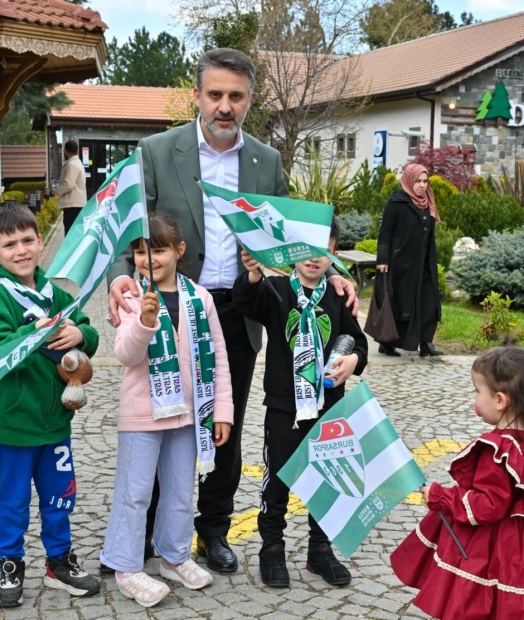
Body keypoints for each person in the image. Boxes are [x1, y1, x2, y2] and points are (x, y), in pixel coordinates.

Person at [107, 47, 357, 573]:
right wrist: (119, 279)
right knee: (163, 419)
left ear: (249, 100)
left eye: (236, 96)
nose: (225, 106)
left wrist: (332, 271)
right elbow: (129, 224)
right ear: (197, 95)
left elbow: (291, 238)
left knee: (226, 421)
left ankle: (212, 530)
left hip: (241, 311)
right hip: (174, 308)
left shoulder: (267, 160)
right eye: (215, 94)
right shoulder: (156, 151)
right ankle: (149, 531)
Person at [100, 213, 233, 607]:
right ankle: (125, 565)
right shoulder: (130, 297)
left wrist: (222, 410)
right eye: (141, 252)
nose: (149, 259)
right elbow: (126, 354)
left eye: (158, 250)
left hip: (188, 414)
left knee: (179, 492)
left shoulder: (201, 298)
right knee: (135, 493)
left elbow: (218, 356)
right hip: (143, 413)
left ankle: (174, 556)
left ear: (179, 250)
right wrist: (143, 321)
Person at [0, 202, 101, 608]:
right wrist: (35, 331)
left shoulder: (55, 293)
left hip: (56, 421)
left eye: (27, 240)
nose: (21, 250)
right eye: (9, 244)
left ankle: (59, 560)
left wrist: (80, 336)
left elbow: (90, 332)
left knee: (60, 495)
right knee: (13, 500)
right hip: (15, 422)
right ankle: (10, 562)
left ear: (40, 240)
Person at [390, 346, 524, 619]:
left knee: (482, 597)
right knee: (520, 599)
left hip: (495, 543)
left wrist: (440, 497)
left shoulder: (497, 449)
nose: (475, 398)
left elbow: (487, 506)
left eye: (477, 391)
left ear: (500, 400)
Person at [233, 217, 368, 589]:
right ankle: (272, 547)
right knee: (278, 478)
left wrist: (353, 360)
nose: (313, 257)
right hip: (284, 407)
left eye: (323, 250)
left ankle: (319, 548)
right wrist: (253, 274)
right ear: (291, 250)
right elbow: (245, 301)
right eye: (305, 248)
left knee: (327, 479)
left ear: (334, 254)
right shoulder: (276, 290)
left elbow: (358, 341)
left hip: (329, 406)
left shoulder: (337, 296)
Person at [375, 163, 442, 357]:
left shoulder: (427, 204)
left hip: (425, 264)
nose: (422, 185)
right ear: (409, 181)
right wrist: (383, 259)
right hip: (401, 264)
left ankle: (426, 342)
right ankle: (387, 342)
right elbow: (385, 232)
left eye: (425, 181)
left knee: (429, 302)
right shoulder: (397, 203)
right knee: (400, 304)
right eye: (418, 181)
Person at [55, 139, 87, 235]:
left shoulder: (72, 164)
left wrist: (57, 191)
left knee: (70, 234)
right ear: (77, 150)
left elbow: (69, 184)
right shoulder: (77, 163)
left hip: (73, 205)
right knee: (75, 234)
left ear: (66, 151)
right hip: (77, 205)